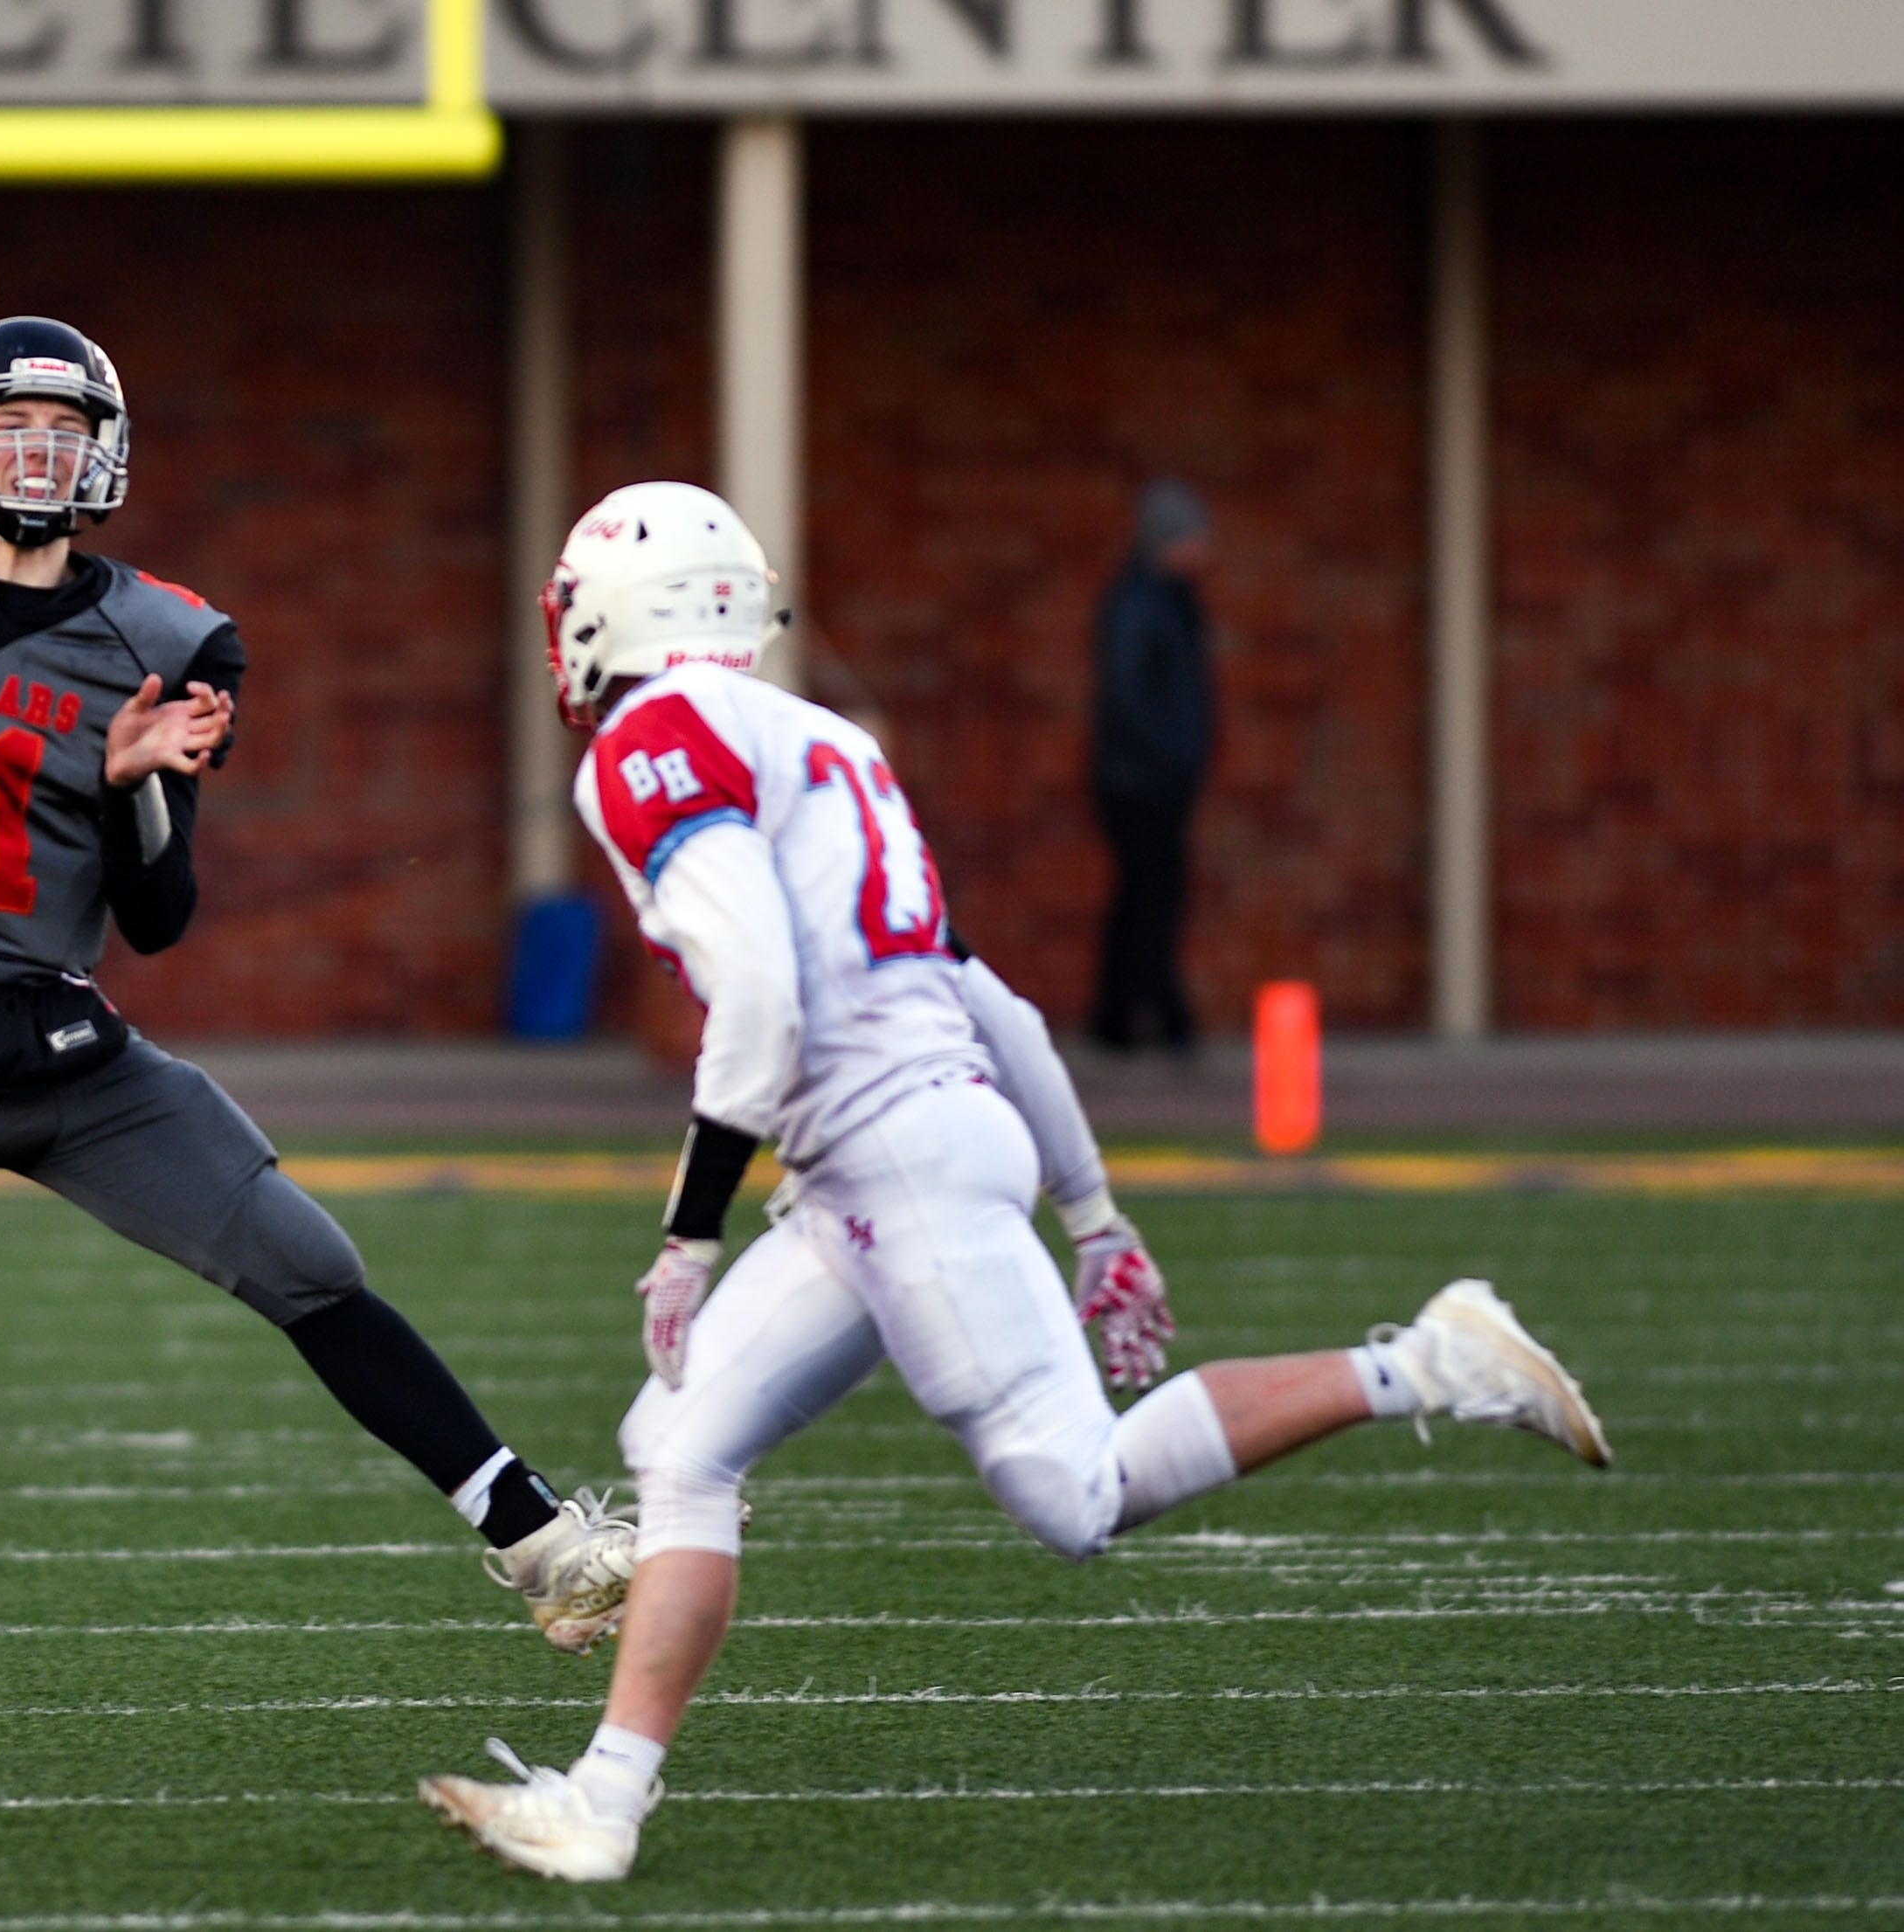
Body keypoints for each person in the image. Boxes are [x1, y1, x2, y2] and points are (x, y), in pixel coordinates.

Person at [418, 481, 1610, 1883]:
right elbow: (1003, 1009)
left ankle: (1431, 1359)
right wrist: (1094, 1212)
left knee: (1074, 1490)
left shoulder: (655, 739)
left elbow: (760, 999)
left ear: (620, 602)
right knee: (678, 1446)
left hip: (889, 1160)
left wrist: (686, 1228)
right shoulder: (822, 743)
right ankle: (602, 1802)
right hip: (895, 1153)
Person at [0, 316, 635, 1810]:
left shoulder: (168, 639)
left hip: (58, 1032)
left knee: (308, 1258)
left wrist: (137, 787)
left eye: (64, 434)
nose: (38, 455)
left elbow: (161, 917)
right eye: (12, 427)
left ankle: (537, 1541)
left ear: (104, 456)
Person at [1086, 478, 1215, 1053]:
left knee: (1147, 895)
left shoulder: (1166, 601)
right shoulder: (1144, 604)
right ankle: (1152, 1014)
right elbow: (1132, 696)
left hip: (1148, 779)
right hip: (1142, 784)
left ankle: (1131, 1013)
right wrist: (1174, 759)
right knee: (1151, 897)